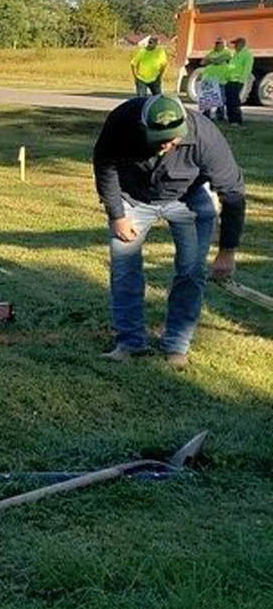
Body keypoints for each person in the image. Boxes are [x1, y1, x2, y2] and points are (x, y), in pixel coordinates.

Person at [93, 94, 243, 368]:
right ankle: (129, 343)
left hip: (189, 199)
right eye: (160, 139)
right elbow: (105, 165)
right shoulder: (122, 120)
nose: (168, 144)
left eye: (174, 139)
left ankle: (176, 346)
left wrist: (227, 252)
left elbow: (233, 193)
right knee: (124, 268)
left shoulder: (205, 137)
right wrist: (116, 215)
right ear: (142, 126)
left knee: (191, 271)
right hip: (134, 198)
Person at [222, 36, 253, 127]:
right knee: (229, 100)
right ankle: (231, 120)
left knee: (234, 101)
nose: (234, 46)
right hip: (229, 80)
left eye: (236, 44)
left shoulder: (247, 54)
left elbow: (247, 69)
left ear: (241, 44)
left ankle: (237, 120)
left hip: (237, 81)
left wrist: (241, 80)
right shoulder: (235, 54)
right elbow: (231, 66)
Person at [197, 38, 231, 119]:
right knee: (208, 97)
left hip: (220, 79)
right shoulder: (212, 52)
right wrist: (212, 60)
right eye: (216, 43)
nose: (217, 45)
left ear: (224, 44)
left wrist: (210, 60)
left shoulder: (227, 52)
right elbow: (202, 62)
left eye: (219, 43)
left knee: (220, 98)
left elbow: (218, 61)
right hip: (208, 77)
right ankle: (206, 115)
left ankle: (220, 115)